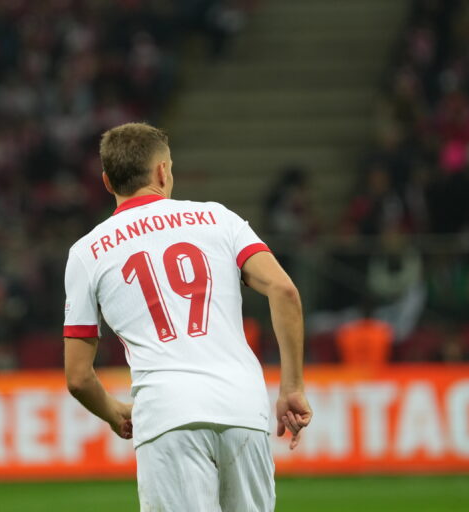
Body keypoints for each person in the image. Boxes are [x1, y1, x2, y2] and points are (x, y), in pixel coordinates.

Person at [63, 123, 312, 512]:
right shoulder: (219, 219)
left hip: (167, 415)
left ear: (108, 182)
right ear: (163, 172)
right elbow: (285, 291)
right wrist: (291, 387)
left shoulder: (87, 252)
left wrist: (114, 414)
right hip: (242, 408)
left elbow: (78, 377)